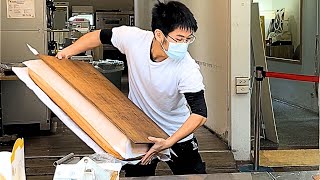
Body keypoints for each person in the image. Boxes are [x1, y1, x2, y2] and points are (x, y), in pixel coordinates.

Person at [57, 0, 208, 177]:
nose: (184, 45)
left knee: (194, 176)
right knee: (137, 176)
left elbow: (199, 113)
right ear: (159, 35)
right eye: (179, 39)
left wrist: (168, 142)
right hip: (139, 130)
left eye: (188, 39)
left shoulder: (187, 67)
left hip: (176, 134)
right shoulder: (133, 39)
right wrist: (67, 52)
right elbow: (99, 36)